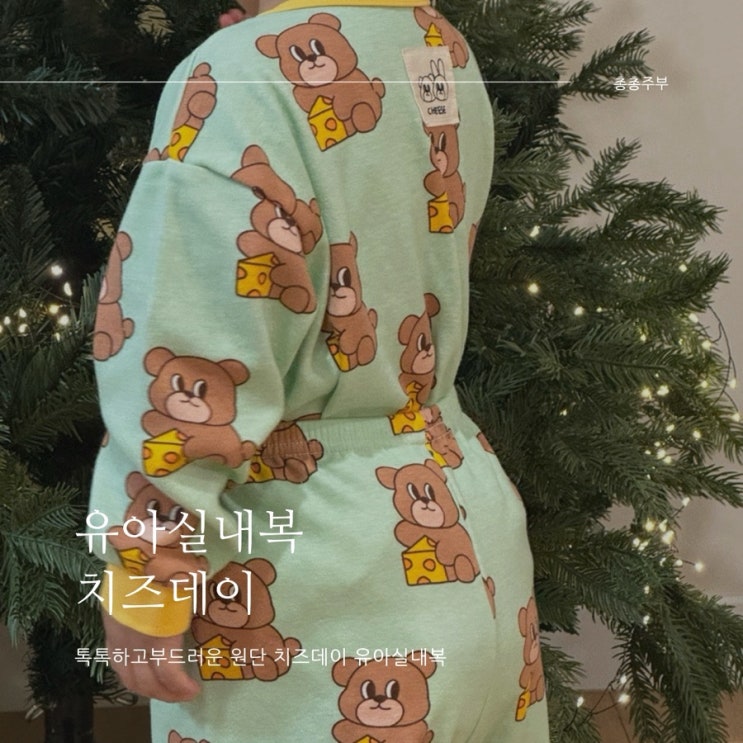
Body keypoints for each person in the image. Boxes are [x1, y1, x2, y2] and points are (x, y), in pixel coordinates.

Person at [89, 0, 549, 740]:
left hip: (315, 578)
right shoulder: (439, 49)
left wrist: (148, 573)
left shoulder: (237, 76)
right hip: (472, 542)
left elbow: (184, 354)